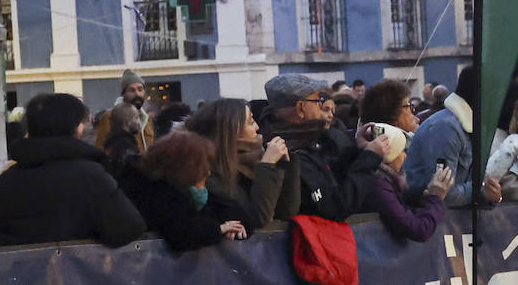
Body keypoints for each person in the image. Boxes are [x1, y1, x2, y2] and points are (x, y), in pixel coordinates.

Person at [0, 93, 145, 248]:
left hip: (22, 274)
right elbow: (129, 228)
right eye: (81, 122)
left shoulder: (6, 180)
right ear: (73, 128)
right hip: (77, 274)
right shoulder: (90, 176)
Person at [260, 73, 387, 220]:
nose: (321, 106)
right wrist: (369, 159)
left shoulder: (305, 139)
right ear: (301, 108)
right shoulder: (287, 151)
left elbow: (331, 173)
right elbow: (335, 205)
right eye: (317, 101)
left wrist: (358, 149)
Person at [119, 131, 250, 252]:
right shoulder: (150, 194)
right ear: (186, 169)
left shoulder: (183, 189)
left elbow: (224, 206)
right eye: (202, 169)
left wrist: (235, 225)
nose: (208, 173)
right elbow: (179, 231)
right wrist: (219, 229)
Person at [185, 98, 299, 231]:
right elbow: (258, 219)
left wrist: (286, 164)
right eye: (251, 122)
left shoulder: (256, 159)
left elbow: (287, 212)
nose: (257, 127)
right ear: (231, 130)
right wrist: (267, 164)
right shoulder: (208, 172)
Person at [361, 122, 453, 241]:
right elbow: (418, 230)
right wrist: (436, 198)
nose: (405, 156)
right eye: (401, 151)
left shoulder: (388, 180)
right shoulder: (379, 186)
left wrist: (425, 200)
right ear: (390, 157)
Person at [406, 66, 475, 206]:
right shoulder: (445, 128)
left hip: (453, 221)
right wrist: (482, 191)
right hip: (433, 220)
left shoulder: (467, 124)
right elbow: (443, 194)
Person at [95, 69, 156, 150]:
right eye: (132, 90)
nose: (137, 94)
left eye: (140, 89)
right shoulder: (109, 117)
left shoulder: (147, 119)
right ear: (124, 94)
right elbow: (101, 149)